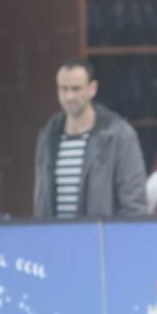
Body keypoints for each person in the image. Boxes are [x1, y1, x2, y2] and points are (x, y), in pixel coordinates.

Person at [34, 59, 147, 218]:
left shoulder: (119, 135)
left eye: (76, 89)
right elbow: (41, 199)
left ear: (92, 89)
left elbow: (133, 202)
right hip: (56, 237)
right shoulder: (48, 136)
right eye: (63, 89)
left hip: (100, 238)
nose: (69, 96)